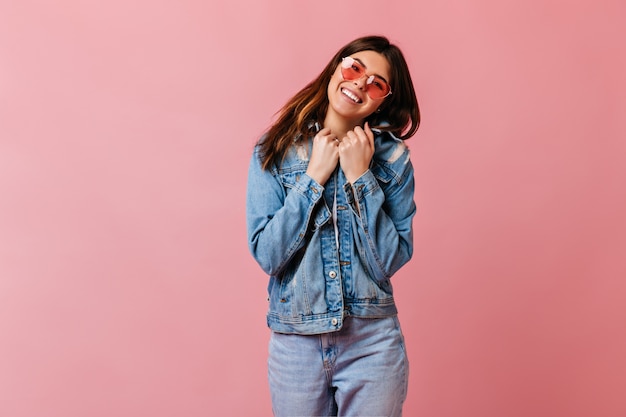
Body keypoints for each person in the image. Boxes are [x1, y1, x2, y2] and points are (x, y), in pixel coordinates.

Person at [246, 35, 420, 417]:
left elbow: (388, 261)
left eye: (376, 83)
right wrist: (312, 178)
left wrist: (361, 179)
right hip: (296, 345)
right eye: (355, 67)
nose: (360, 82)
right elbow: (268, 255)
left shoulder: (393, 160)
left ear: (384, 100)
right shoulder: (274, 149)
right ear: (336, 67)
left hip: (371, 344)